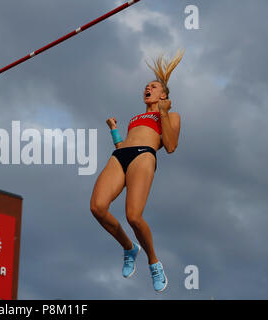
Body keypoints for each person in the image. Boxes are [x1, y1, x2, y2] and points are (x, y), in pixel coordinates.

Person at [90, 49, 184, 292]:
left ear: (163, 94)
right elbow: (124, 145)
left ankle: (153, 261)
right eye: (146, 86)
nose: (148, 88)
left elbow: (171, 146)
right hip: (121, 155)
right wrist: (113, 130)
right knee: (97, 208)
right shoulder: (135, 117)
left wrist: (163, 110)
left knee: (133, 216)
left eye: (153, 86)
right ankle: (129, 247)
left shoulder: (171, 115)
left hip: (145, 156)